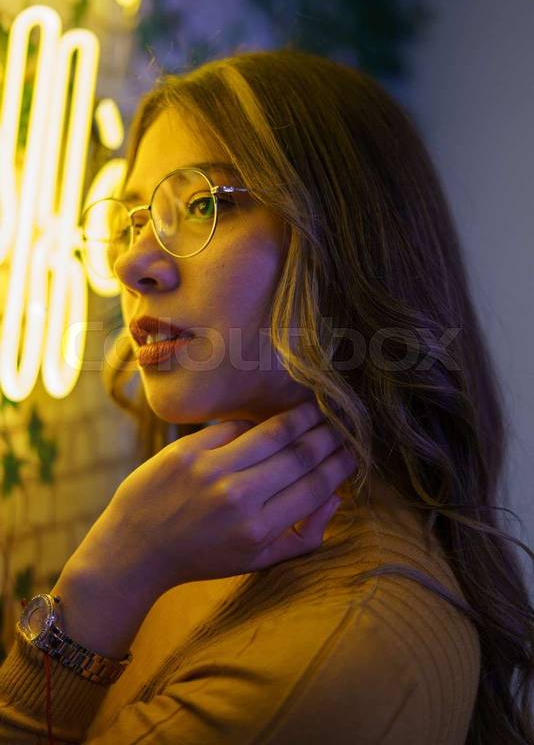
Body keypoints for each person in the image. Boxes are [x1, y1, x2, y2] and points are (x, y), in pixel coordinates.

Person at [0, 49, 532, 745]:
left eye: (201, 204)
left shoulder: (347, 648)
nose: (131, 263)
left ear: (349, 241)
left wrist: (107, 579)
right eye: (132, 220)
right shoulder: (212, 527)